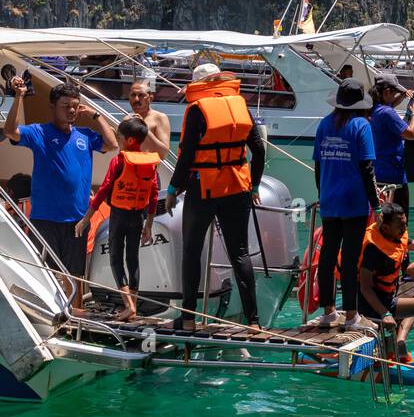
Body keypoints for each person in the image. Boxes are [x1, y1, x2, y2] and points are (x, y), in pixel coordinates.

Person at [165, 63, 266, 334]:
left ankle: (188, 318)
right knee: (240, 253)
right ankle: (253, 320)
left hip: (204, 189)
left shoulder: (198, 110)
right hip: (237, 188)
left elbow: (186, 157)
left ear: (200, 85)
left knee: (191, 250)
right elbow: (258, 149)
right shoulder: (240, 105)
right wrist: (254, 185)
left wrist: (173, 190)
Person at [3, 76, 117, 311]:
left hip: (77, 219)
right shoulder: (39, 132)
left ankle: (75, 313)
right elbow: (11, 131)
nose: (72, 110)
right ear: (53, 106)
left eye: (75, 106)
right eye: (66, 106)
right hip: (45, 218)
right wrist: (19, 97)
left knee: (75, 272)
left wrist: (96, 115)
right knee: (44, 269)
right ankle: (51, 311)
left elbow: (112, 144)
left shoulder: (85, 135)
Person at [75, 116, 159, 321]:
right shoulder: (151, 162)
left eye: (120, 137)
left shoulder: (119, 161)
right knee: (133, 259)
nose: (118, 140)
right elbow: (154, 194)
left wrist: (86, 218)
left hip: (120, 215)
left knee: (115, 259)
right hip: (138, 215)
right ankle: (134, 306)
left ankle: (129, 306)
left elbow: (103, 190)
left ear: (130, 140)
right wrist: (148, 224)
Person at [312, 78, 379, 330]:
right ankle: (352, 316)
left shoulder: (324, 124)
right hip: (354, 202)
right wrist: (378, 205)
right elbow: (367, 167)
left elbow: (318, 165)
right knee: (350, 261)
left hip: (329, 200)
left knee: (327, 258)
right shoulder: (361, 125)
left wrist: (323, 192)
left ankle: (329, 312)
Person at [356, 202, 414, 360]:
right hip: (370, 305)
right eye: (400, 225)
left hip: (389, 299)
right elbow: (365, 288)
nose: (404, 228)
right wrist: (385, 313)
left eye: (405, 223)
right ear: (386, 227)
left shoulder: (397, 235)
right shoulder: (372, 249)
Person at [369, 71, 414, 213]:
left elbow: (389, 105)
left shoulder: (372, 109)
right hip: (394, 178)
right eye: (394, 93)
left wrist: (401, 95)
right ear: (386, 92)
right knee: (399, 222)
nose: (395, 96)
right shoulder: (387, 113)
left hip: (377, 175)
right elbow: (411, 134)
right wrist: (413, 113)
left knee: (382, 223)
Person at [127, 79, 171, 161]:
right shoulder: (127, 119)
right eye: (133, 95)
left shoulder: (159, 118)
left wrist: (143, 128)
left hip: (148, 172)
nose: (136, 99)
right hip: (127, 171)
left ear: (150, 98)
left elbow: (163, 154)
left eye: (141, 95)